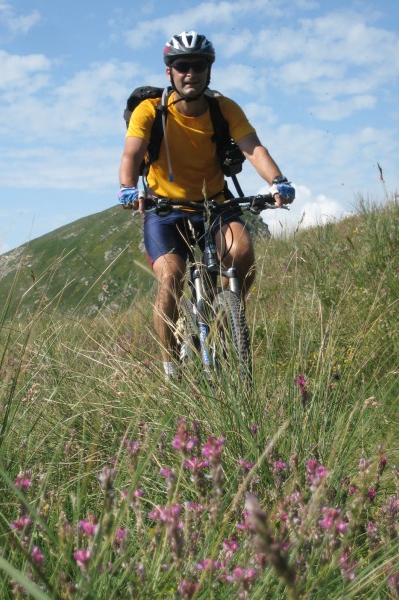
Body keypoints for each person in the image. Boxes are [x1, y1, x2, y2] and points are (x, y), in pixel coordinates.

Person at [118, 30, 295, 379]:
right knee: (171, 278)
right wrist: (127, 188)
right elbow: (132, 152)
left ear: (208, 71)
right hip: (164, 210)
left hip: (215, 204)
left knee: (241, 254)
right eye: (181, 66)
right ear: (169, 72)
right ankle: (171, 366)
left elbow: (252, 148)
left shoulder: (224, 108)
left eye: (198, 66)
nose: (190, 73)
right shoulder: (150, 111)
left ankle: (226, 314)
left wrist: (277, 180)